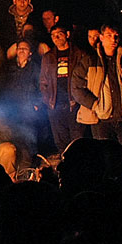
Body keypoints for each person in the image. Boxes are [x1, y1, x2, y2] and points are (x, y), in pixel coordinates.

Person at [72, 24, 122, 179]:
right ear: (101, 38)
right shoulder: (90, 60)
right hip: (101, 118)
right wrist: (94, 104)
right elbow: (76, 86)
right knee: (105, 157)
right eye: (109, 35)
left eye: (116, 36)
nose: (113, 39)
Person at [40, 24, 85, 154]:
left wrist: (80, 100)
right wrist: (48, 100)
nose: (56, 37)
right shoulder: (48, 57)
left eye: (59, 34)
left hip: (74, 104)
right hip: (55, 105)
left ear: (67, 35)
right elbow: (43, 81)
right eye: (53, 35)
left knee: (77, 142)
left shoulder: (78, 54)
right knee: (61, 142)